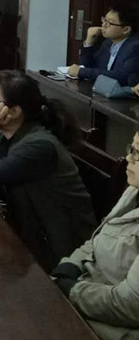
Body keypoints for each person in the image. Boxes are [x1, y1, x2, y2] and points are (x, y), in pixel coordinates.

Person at [0, 70, 97, 272]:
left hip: (55, 248)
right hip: (26, 229)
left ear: (14, 111)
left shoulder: (39, 147)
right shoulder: (6, 132)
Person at [52, 132, 139, 340]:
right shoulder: (134, 191)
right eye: (132, 148)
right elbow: (99, 236)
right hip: (83, 300)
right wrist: (69, 266)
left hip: (108, 329)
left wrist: (71, 290)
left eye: (137, 153)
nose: (128, 157)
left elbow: (131, 305)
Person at [68, 4, 139, 86]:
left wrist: (82, 72)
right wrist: (89, 43)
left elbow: (122, 77)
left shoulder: (135, 47)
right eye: (104, 20)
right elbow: (88, 66)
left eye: (109, 23)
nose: (103, 25)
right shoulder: (108, 43)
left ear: (126, 29)